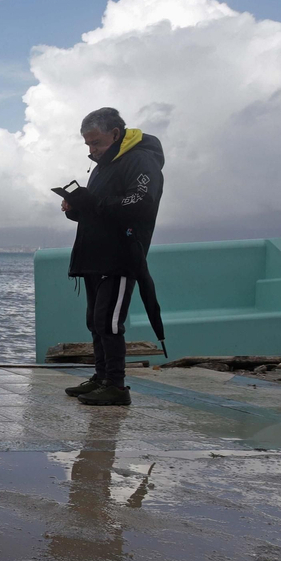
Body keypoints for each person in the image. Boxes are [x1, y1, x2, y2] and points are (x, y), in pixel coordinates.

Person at [59, 108, 164, 406]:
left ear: (115, 134)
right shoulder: (104, 166)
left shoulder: (141, 159)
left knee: (110, 322)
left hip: (120, 255)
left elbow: (141, 202)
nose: (91, 150)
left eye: (96, 143)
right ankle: (101, 377)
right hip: (94, 256)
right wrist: (76, 208)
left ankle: (116, 387)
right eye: (88, 145)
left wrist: (95, 202)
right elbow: (100, 210)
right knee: (95, 320)